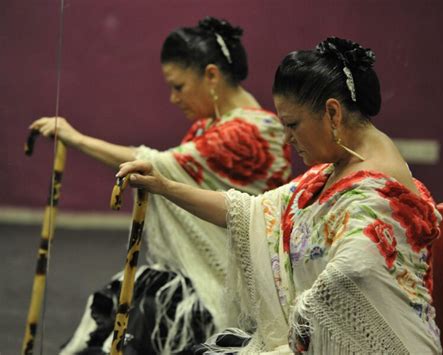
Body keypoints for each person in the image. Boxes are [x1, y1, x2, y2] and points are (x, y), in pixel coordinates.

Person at [117, 37, 442, 354]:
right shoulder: (332, 171)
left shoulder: (377, 186)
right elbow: (253, 213)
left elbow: (355, 267)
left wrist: (302, 319)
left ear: (333, 113)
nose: (287, 138)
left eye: (293, 124)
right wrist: (164, 186)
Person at [30, 17, 291, 354]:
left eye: (178, 86)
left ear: (211, 75)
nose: (172, 98)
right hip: (204, 274)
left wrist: (76, 138)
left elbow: (158, 166)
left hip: (230, 282)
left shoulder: (249, 131)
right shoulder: (217, 126)